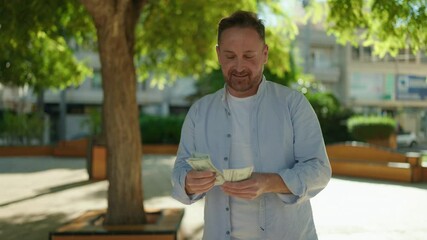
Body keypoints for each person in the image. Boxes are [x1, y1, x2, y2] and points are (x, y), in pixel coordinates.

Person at [172, 10, 331, 240]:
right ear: (218, 54)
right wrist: (188, 182)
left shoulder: (293, 104)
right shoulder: (200, 111)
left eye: (249, 56)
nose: (239, 66)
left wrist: (270, 183)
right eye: (229, 56)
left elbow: (320, 170)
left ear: (265, 53)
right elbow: (179, 171)